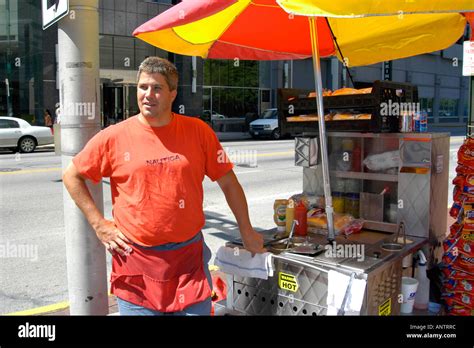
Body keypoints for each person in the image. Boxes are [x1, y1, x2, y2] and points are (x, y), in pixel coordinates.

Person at [62, 57, 265, 316]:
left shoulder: (198, 131)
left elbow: (229, 183)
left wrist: (246, 230)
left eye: (157, 88)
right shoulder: (113, 137)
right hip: (136, 262)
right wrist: (99, 224)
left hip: (188, 261)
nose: (148, 94)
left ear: (172, 93)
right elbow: (72, 175)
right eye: (143, 87)